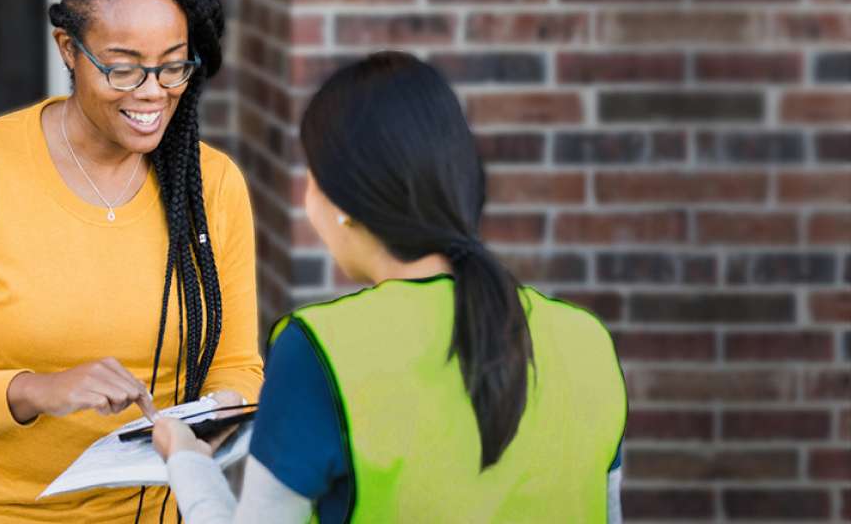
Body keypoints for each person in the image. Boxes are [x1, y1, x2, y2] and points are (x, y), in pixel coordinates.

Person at [0, 0, 263, 523]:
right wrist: (39, 390)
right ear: (68, 48)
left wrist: (213, 418)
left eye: (172, 65)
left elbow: (236, 365)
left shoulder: (211, 185)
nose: (152, 91)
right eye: (124, 67)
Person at [152, 52, 627, 523]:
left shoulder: (317, 352)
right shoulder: (589, 342)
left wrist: (187, 461)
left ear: (342, 202)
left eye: (311, 175)